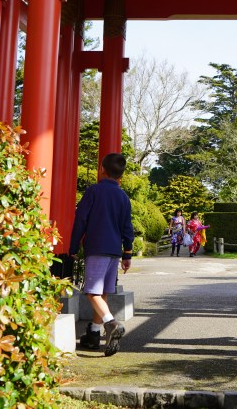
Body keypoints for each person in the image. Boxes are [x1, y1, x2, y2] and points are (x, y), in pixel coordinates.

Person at [69, 152, 135, 356]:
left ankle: (111, 323)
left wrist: (73, 247)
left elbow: (80, 219)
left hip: (97, 248)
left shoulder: (93, 191)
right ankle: (94, 335)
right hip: (114, 251)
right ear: (121, 175)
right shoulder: (123, 197)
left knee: (91, 292)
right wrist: (127, 254)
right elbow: (127, 227)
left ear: (101, 170)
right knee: (102, 293)